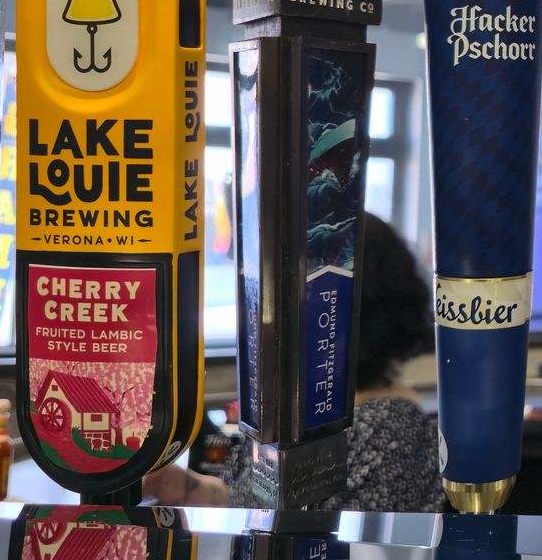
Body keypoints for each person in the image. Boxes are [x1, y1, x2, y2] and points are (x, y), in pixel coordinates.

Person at [145, 214, 441, 512]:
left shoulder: (386, 430)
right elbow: (248, 499)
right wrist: (188, 488)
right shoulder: (301, 411)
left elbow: (292, 528)